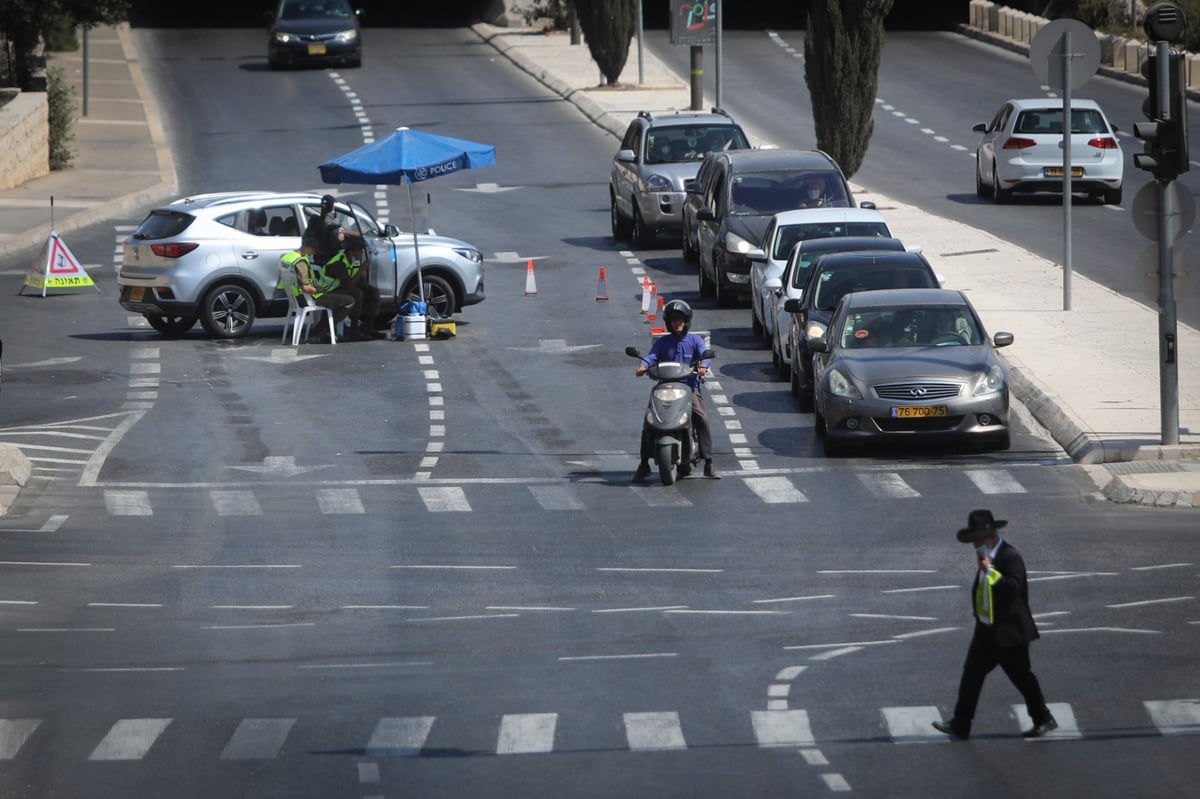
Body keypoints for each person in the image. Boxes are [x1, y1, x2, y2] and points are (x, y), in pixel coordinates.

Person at [932, 509, 1057, 741]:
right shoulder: (986, 558)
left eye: (978, 540)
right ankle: (961, 724)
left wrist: (989, 570)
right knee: (971, 675)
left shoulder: (1010, 556)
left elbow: (1013, 588)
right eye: (974, 541)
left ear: (991, 536)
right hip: (987, 631)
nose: (976, 545)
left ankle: (1043, 718)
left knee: (1022, 677)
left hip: (1009, 633)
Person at [632, 299, 720, 481]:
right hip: (664, 388)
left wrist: (703, 365)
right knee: (649, 421)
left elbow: (705, 355)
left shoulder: (695, 341)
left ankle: (709, 463)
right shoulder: (663, 342)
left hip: (689, 389)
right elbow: (651, 357)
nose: (677, 323)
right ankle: (644, 464)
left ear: (686, 321)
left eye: (680, 319)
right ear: (669, 323)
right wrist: (643, 365)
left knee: (701, 418)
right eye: (674, 320)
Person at [279, 244, 356, 343]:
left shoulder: (287, 257)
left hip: (294, 297)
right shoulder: (301, 262)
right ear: (307, 247)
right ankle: (322, 329)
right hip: (308, 298)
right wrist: (319, 290)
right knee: (349, 301)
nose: (314, 253)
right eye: (314, 250)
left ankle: (323, 328)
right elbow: (305, 288)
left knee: (333, 299)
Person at [323, 234, 381, 340]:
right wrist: (362, 269)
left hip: (342, 288)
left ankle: (369, 326)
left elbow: (359, 281)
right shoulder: (339, 262)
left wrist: (371, 289)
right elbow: (349, 284)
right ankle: (354, 329)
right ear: (351, 251)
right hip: (329, 291)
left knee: (371, 292)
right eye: (360, 250)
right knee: (356, 292)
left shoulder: (355, 260)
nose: (362, 253)